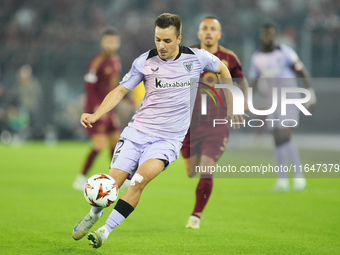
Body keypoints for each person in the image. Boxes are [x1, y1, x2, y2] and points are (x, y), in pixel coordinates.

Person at [72, 13, 245, 249]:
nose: (161, 46)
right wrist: (96, 114)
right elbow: (121, 91)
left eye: (166, 41)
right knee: (111, 184)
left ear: (178, 39)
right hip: (136, 133)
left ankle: (105, 231)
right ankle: (94, 213)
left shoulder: (196, 57)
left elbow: (223, 69)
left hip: (167, 140)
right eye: (157, 40)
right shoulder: (145, 61)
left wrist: (231, 101)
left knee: (138, 182)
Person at [181, 16, 249, 229]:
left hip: (216, 123)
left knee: (206, 168)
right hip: (189, 123)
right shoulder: (186, 54)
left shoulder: (230, 58)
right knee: (190, 171)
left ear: (219, 34)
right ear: (199, 33)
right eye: (205, 29)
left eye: (213, 29)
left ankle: (196, 216)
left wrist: (241, 102)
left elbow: (242, 82)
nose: (209, 32)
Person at [249, 23, 317, 192]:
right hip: (272, 102)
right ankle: (282, 181)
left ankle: (298, 176)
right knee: (278, 139)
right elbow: (254, 82)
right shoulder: (257, 57)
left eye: (270, 34)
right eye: (264, 34)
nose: (267, 37)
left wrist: (311, 92)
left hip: (289, 99)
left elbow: (302, 71)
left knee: (285, 135)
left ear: (275, 35)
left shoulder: (286, 53)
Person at [73, 27, 125, 190]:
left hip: (109, 109)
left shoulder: (116, 61)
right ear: (103, 42)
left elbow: (115, 87)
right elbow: (89, 87)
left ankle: (116, 178)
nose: (111, 44)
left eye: (114, 41)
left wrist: (122, 104)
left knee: (116, 143)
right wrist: (97, 110)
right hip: (96, 110)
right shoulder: (96, 61)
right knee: (99, 145)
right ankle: (80, 178)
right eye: (109, 41)